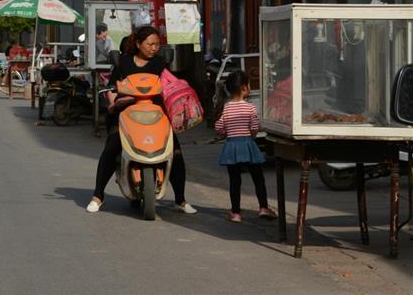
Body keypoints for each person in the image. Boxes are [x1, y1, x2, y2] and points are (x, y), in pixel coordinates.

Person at [86, 25, 196, 214]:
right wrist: (113, 104)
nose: (154, 48)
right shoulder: (123, 62)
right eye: (150, 44)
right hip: (125, 113)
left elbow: (170, 85)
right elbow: (113, 88)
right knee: (111, 148)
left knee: (175, 151)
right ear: (138, 43)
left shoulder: (160, 64)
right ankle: (98, 196)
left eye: (157, 45)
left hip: (155, 114)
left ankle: (180, 200)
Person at [215, 70, 277, 222]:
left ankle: (235, 213)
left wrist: (224, 133)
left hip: (231, 147)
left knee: (235, 181)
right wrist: (252, 137)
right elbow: (255, 127)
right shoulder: (250, 108)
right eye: (249, 85)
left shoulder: (227, 108)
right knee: (258, 178)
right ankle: (263, 207)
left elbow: (219, 128)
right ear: (244, 88)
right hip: (248, 145)